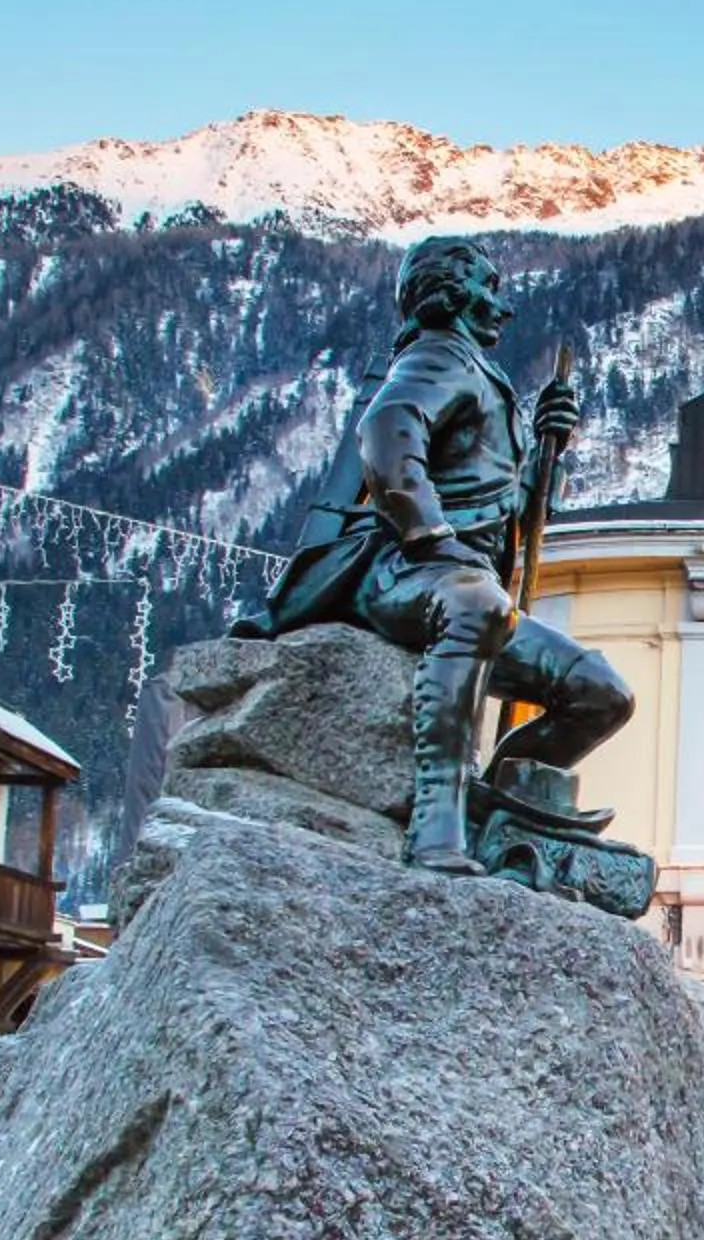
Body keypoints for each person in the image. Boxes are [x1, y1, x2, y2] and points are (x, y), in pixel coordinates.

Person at [236, 237, 633, 872]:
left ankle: (498, 799)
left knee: (601, 693)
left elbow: (508, 504)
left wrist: (548, 450)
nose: (501, 309)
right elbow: (387, 430)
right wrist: (428, 537)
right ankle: (436, 825)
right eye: (488, 289)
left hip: (466, 584)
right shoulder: (440, 355)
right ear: (450, 294)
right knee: (477, 606)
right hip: (403, 574)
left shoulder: (483, 376)